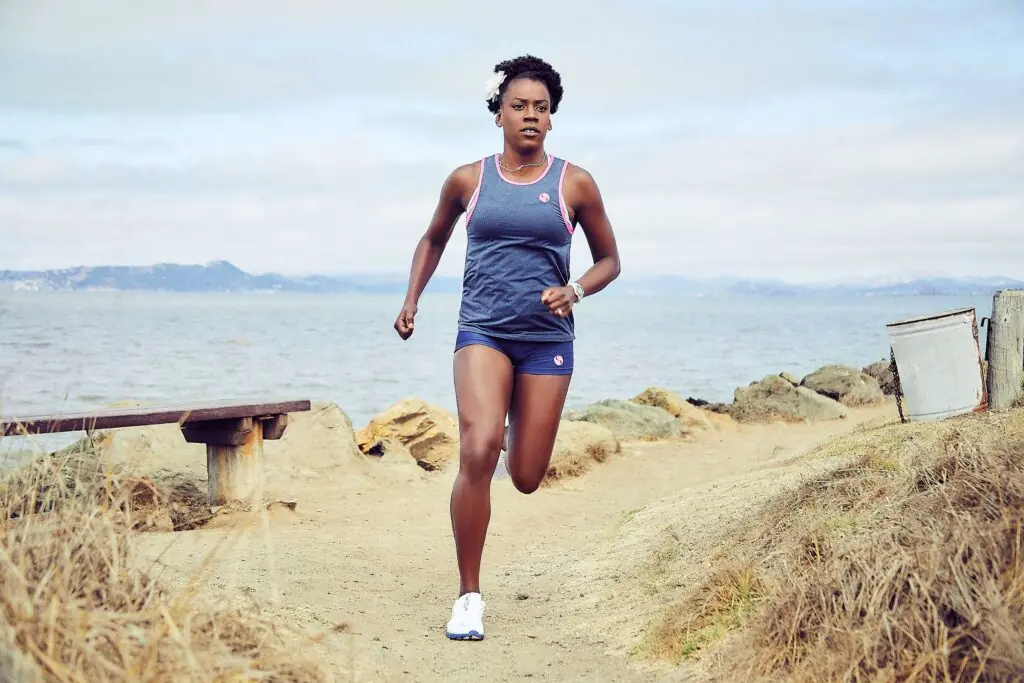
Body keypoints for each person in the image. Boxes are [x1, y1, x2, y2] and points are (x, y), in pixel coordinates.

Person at [393, 54, 621, 641]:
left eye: (541, 109)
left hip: (546, 342)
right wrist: (411, 299)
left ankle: (515, 425)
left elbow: (610, 261)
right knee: (478, 446)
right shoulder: (470, 180)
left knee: (524, 475)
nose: (530, 116)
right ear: (499, 114)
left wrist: (574, 290)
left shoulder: (574, 183)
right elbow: (433, 237)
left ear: (552, 120)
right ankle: (469, 596)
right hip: (483, 332)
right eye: (519, 106)